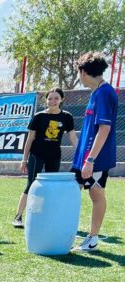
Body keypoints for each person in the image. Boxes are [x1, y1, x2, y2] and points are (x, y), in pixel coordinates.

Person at [70, 52, 117, 252]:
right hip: (84, 158)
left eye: (78, 72)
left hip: (95, 158)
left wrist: (90, 159)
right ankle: (73, 233)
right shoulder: (96, 92)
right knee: (75, 192)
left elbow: (104, 129)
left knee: (96, 195)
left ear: (83, 71)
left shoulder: (105, 93)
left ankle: (92, 238)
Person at [12, 87, 78, 228]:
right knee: (31, 184)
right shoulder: (39, 116)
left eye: (56, 98)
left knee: (51, 187)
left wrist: (79, 154)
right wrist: (24, 159)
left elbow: (72, 136)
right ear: (46, 100)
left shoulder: (67, 117)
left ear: (62, 100)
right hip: (37, 154)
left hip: (54, 156)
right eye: (49, 98)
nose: (52, 101)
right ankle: (18, 216)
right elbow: (29, 139)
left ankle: (47, 216)